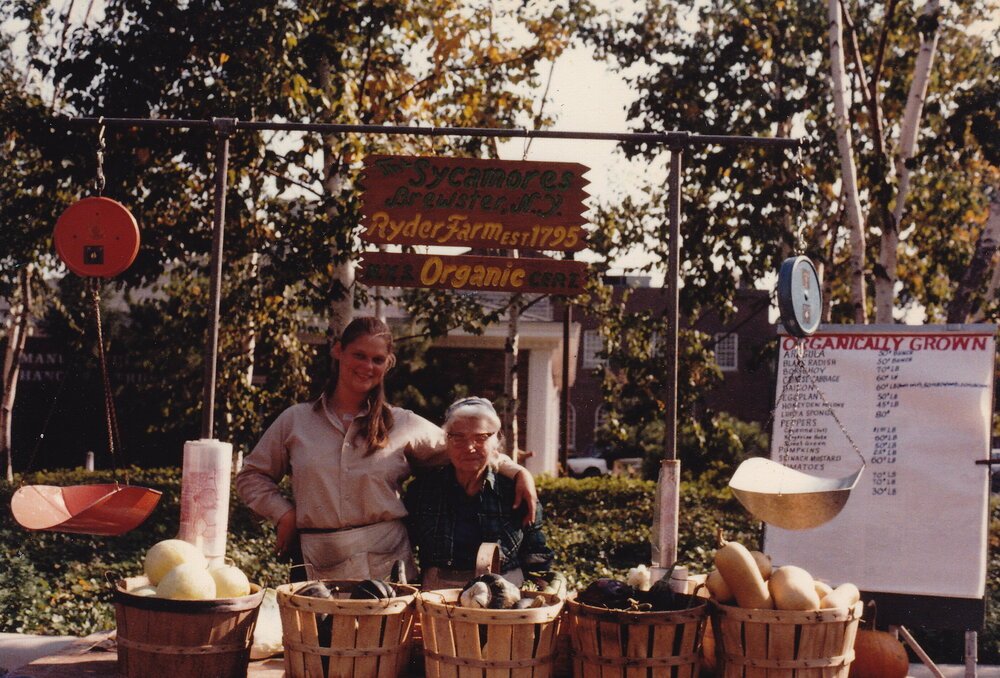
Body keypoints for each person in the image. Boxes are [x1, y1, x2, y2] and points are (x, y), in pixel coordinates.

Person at [236, 317, 537, 581]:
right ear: (338, 351)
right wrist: (284, 514)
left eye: (377, 359)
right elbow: (252, 477)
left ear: (388, 363)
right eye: (359, 355)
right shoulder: (296, 420)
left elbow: (467, 448)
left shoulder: (404, 424)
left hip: (387, 566)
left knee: (384, 647)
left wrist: (517, 471)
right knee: (319, 646)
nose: (367, 366)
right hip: (317, 561)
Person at [404, 397, 554, 588]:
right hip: (438, 596)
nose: (469, 447)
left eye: (480, 437)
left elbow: (537, 556)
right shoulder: (423, 491)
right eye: (458, 437)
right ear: (446, 442)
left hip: (506, 594)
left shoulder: (514, 490)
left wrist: (540, 592)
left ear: (496, 441)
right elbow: (404, 546)